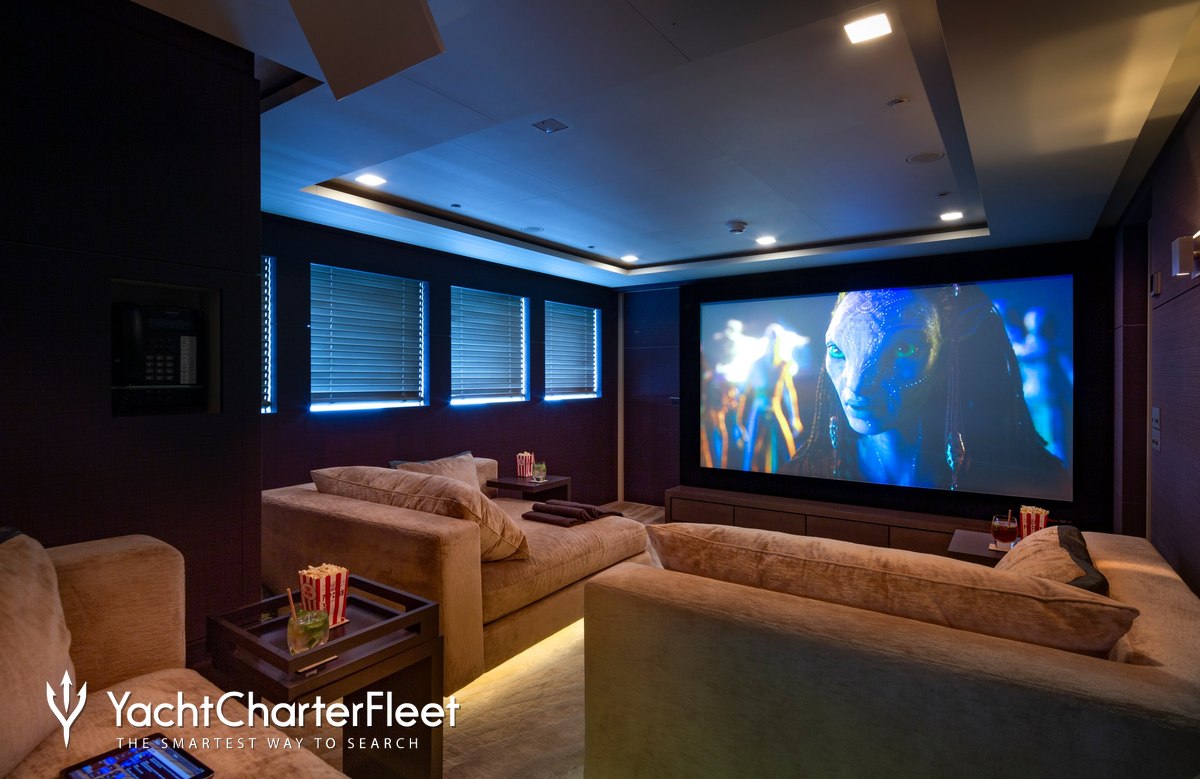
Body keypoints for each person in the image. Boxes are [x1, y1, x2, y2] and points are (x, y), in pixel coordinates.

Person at [779, 284, 1068, 499]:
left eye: (904, 349)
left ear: (945, 355)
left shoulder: (1028, 483)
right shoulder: (802, 477)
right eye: (836, 351)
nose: (857, 385)